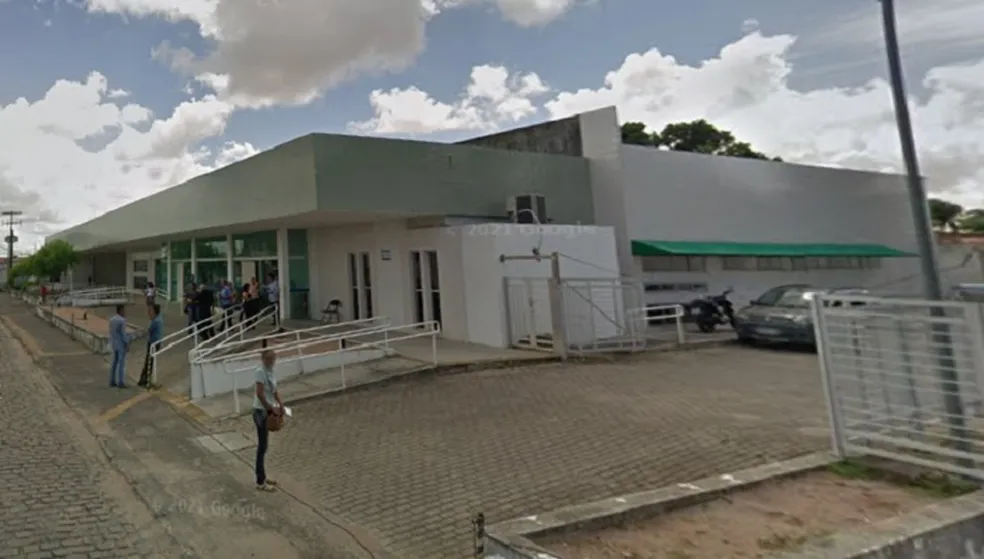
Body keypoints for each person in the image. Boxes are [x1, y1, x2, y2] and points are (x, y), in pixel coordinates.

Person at [253, 349, 283, 492]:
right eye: (269, 359)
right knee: (262, 446)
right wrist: (270, 408)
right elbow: (259, 393)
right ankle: (260, 481)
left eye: (273, 359)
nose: (272, 362)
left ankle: (263, 476)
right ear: (264, 359)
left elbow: (274, 390)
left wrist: (280, 404)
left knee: (264, 446)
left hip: (267, 410)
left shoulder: (270, 372)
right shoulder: (260, 372)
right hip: (261, 411)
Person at [138, 304, 164, 388]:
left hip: (153, 343)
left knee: (149, 361)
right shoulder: (159, 318)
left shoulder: (155, 321)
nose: (150, 313)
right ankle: (145, 379)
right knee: (150, 361)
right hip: (156, 342)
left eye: (151, 311)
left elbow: (149, 330)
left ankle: (144, 380)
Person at [108, 304, 133, 388]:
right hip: (121, 344)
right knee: (121, 363)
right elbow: (123, 334)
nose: (125, 312)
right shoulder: (122, 320)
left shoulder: (112, 319)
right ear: (121, 310)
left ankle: (112, 380)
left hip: (114, 343)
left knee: (114, 362)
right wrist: (127, 343)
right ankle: (120, 382)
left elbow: (111, 332)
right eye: (124, 310)